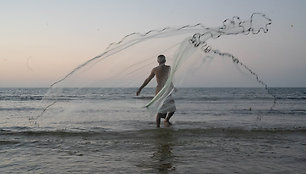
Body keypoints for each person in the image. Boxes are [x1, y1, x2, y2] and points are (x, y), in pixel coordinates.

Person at [136, 55, 176, 128]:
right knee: (160, 110)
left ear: (158, 61)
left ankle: (166, 120)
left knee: (172, 109)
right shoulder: (155, 69)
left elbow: (169, 79)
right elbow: (148, 79)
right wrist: (140, 88)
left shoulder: (168, 68)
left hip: (167, 90)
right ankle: (158, 127)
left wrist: (173, 87)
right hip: (159, 91)